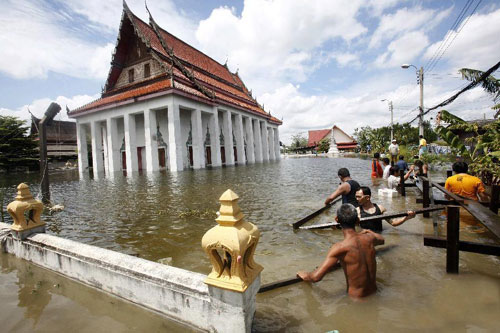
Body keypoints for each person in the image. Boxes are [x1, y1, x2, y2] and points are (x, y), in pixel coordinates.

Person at [297, 203, 385, 299]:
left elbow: (316, 277)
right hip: (375, 293)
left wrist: (305, 275)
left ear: (336, 220)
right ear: (357, 220)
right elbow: (382, 240)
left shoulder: (340, 247)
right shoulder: (369, 238)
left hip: (356, 300)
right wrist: (369, 231)